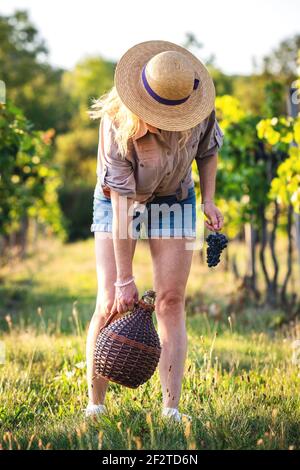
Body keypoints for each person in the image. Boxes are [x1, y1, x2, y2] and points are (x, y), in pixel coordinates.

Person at [85, 40, 224, 422]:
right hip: (119, 202)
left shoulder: (197, 104)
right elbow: (124, 205)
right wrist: (125, 280)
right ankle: (95, 404)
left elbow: (208, 151)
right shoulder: (117, 124)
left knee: (171, 301)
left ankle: (171, 410)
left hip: (176, 198)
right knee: (111, 300)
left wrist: (208, 200)